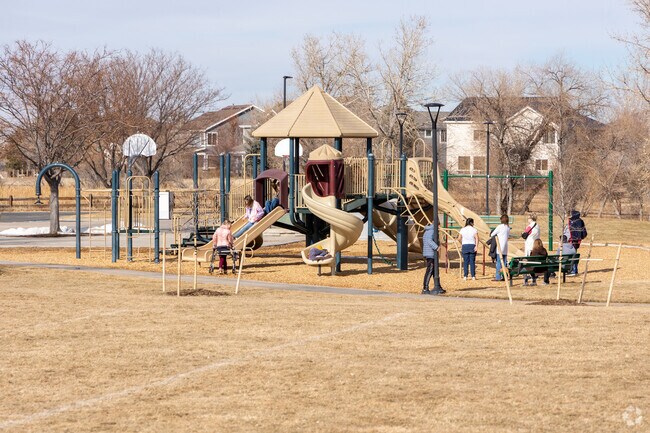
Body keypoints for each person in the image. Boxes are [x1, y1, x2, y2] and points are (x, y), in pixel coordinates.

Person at [422, 223, 444, 295]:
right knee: (430, 270)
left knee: (435, 271)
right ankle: (425, 288)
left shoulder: (427, 231)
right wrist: (436, 247)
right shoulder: (432, 231)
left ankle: (438, 286)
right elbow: (429, 241)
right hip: (430, 253)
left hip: (429, 253)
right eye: (439, 225)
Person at [566, 210, 587, 275]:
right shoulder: (580, 221)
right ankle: (573, 269)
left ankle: (573, 270)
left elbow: (569, 230)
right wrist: (580, 238)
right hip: (577, 241)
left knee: (572, 255)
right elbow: (584, 232)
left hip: (571, 240)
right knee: (574, 254)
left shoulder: (572, 221)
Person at [490, 214, 511, 281]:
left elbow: (492, 234)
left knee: (499, 262)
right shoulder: (508, 227)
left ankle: (498, 277)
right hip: (505, 247)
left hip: (500, 247)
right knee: (504, 263)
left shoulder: (500, 227)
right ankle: (504, 276)